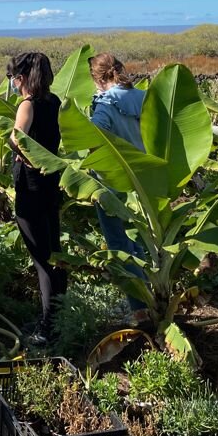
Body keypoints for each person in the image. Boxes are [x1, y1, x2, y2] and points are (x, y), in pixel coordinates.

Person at [8, 51, 67, 346]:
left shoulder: (27, 105)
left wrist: (23, 157)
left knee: (41, 258)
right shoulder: (54, 101)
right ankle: (60, 317)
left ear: (22, 78)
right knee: (54, 251)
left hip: (30, 188)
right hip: (51, 182)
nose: (13, 83)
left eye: (13, 78)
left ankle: (47, 327)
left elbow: (17, 138)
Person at [87, 53, 148, 319]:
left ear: (98, 79)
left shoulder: (104, 104)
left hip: (112, 182)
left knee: (119, 243)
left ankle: (139, 307)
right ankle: (151, 291)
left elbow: (93, 137)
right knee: (143, 238)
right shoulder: (144, 97)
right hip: (146, 180)